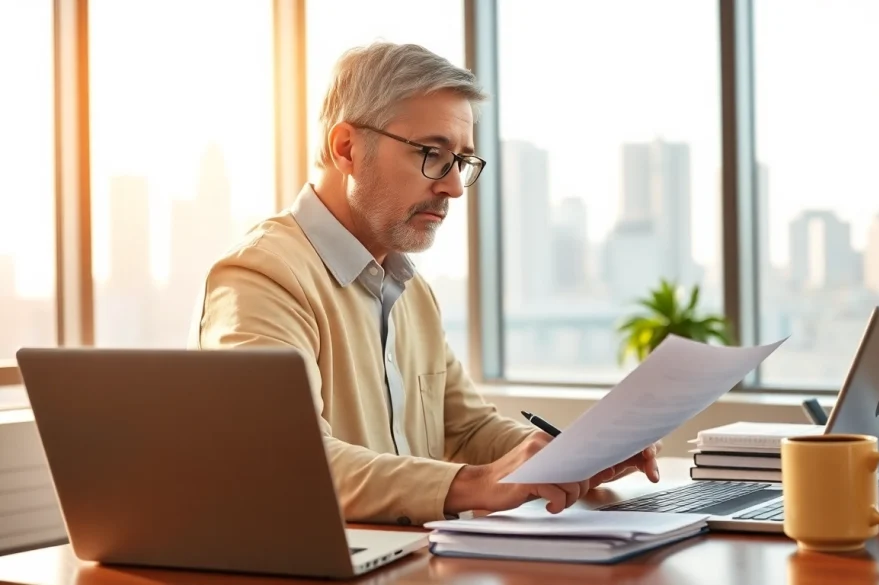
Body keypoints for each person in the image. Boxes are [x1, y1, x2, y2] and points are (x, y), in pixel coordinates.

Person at [187, 42, 661, 526]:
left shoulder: (410, 289)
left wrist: (571, 457)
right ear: (346, 148)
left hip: (415, 564)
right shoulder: (261, 278)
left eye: (461, 162)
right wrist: (478, 484)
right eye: (433, 154)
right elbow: (289, 461)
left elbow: (467, 427)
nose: (454, 186)